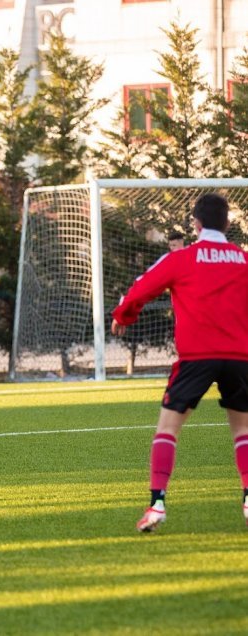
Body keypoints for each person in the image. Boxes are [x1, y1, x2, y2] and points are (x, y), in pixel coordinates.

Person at [112, 193, 248, 532]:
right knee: (244, 431)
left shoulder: (180, 259)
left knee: (167, 430)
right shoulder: (244, 260)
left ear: (196, 224)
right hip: (241, 359)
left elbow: (140, 289)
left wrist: (123, 317)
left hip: (196, 359)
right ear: (228, 224)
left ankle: (157, 504)